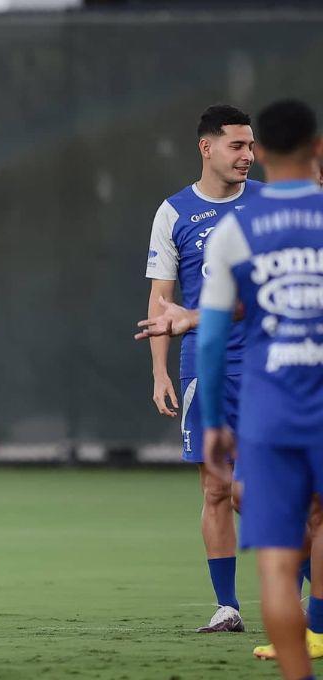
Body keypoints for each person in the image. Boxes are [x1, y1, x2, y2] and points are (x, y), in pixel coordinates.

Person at [198, 98, 323, 679]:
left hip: (269, 411)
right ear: (317, 148)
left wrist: (219, 425)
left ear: (263, 151)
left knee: (276, 561)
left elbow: (212, 341)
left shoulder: (236, 229)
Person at [139, 104, 260, 632]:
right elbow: (161, 303)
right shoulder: (174, 212)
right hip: (204, 370)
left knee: (262, 488)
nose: (247, 156)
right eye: (237, 145)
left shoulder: (267, 207)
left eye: (251, 146)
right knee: (214, 489)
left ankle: (307, 583)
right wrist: (160, 373)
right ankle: (228, 606)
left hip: (266, 366)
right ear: (206, 148)